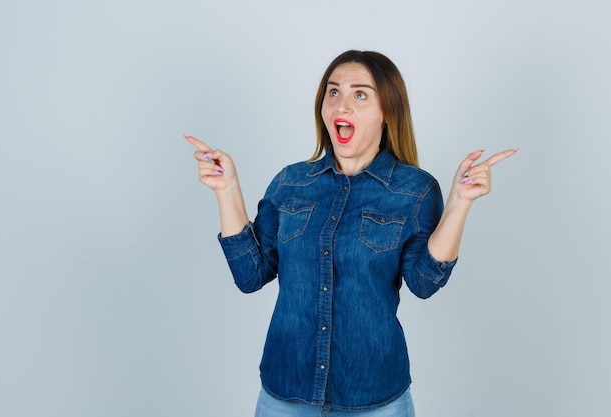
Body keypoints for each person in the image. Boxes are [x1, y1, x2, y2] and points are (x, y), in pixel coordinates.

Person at [184, 50, 517, 416]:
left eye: (360, 94)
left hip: (374, 398)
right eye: (333, 92)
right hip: (285, 394)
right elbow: (250, 276)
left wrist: (459, 203)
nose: (342, 105)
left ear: (387, 111)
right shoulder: (290, 182)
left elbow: (423, 283)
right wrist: (227, 190)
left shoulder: (415, 191)